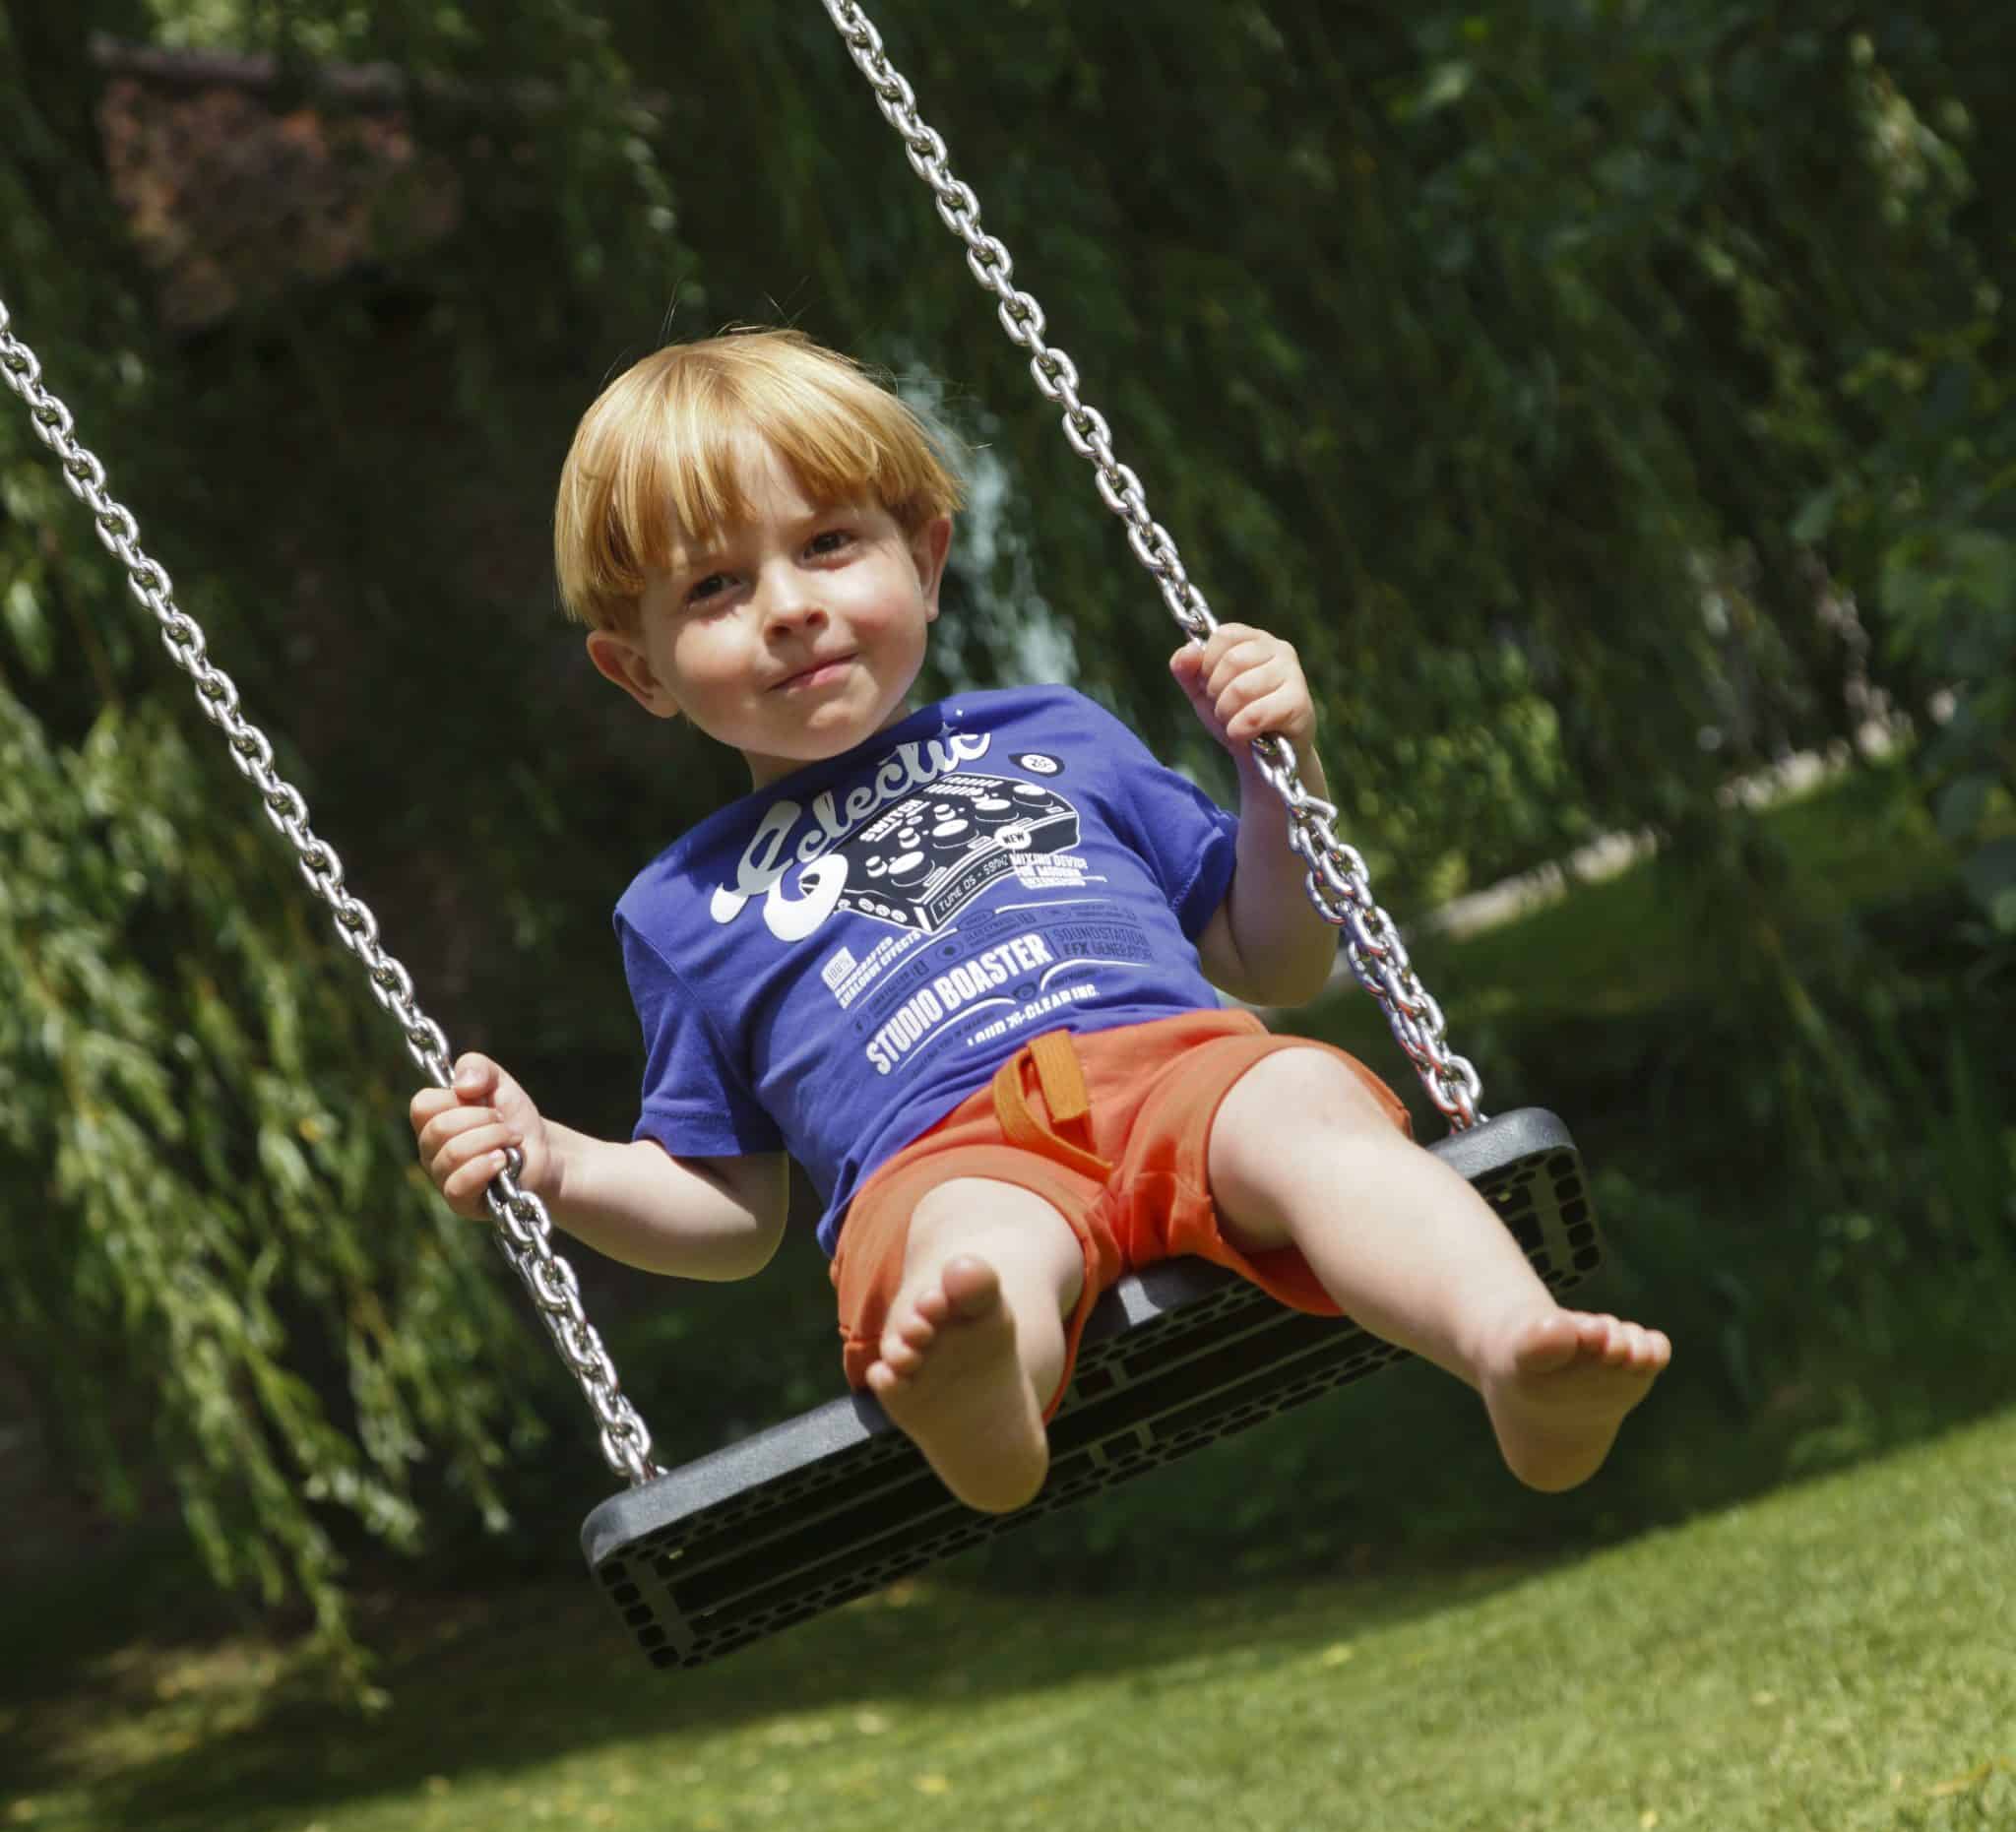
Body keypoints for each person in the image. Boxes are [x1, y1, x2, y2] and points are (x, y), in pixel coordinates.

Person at [410, 328, 1670, 1515]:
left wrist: (1279, 775)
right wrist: (558, 1164)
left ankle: (1515, 1352)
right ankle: (983, 1412)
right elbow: (735, 1216)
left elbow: (1271, 952)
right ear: (639, 670)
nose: (788, 606)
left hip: (1186, 1072)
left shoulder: (1050, 733)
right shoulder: (682, 906)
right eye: (716, 588)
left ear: (925, 557)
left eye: (829, 543)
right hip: (942, 1152)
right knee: (967, 1251)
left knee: (1313, 1115)